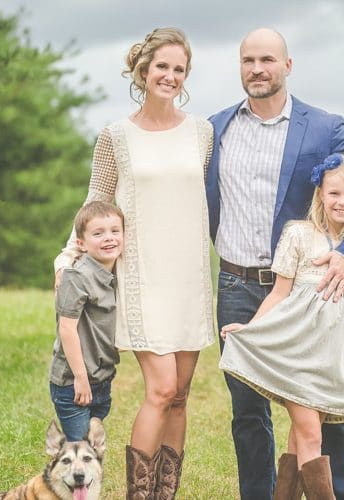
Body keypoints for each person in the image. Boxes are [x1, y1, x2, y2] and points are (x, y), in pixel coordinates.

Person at [206, 28, 344, 499]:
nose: (257, 69)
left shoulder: (323, 127)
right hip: (237, 285)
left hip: (308, 289)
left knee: (322, 401)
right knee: (247, 410)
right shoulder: (215, 127)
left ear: (287, 65)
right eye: (248, 60)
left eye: (267, 59)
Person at [54, 27, 214, 500]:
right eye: (161, 66)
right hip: (143, 277)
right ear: (143, 71)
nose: (169, 75)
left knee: (181, 397)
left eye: (178, 68)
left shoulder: (201, 132)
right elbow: (96, 200)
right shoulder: (116, 136)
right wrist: (69, 253)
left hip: (189, 275)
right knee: (160, 390)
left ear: (185, 77)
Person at [219, 154, 344, 500]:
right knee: (310, 435)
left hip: (330, 357)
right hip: (295, 352)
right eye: (335, 193)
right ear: (321, 192)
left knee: (299, 437)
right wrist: (250, 330)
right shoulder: (299, 235)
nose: (342, 202)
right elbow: (279, 295)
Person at [49, 201, 125, 442]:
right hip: (74, 382)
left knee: (93, 448)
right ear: (80, 244)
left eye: (115, 231)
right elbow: (67, 329)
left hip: (102, 380)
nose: (109, 238)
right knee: (81, 451)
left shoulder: (118, 273)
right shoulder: (76, 277)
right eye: (98, 233)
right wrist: (80, 377)